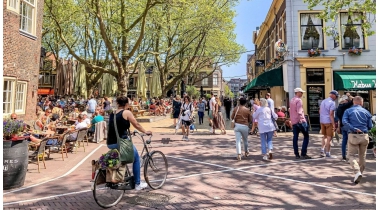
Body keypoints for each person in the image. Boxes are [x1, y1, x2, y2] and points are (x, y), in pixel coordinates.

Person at [107, 96, 151, 190]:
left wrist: (127, 132)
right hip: (121, 143)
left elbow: (116, 127)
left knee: (123, 159)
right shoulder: (126, 112)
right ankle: (138, 184)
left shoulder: (112, 113)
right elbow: (136, 124)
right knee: (136, 159)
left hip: (110, 142)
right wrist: (145, 131)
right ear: (126, 104)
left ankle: (123, 177)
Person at [342, 96, 373, 184]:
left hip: (353, 135)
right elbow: (370, 126)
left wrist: (353, 128)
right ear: (361, 103)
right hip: (364, 135)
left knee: (350, 155)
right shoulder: (366, 112)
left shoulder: (348, 111)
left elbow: (345, 122)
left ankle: (357, 171)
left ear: (353, 102)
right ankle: (360, 173)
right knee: (362, 156)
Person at [289, 88, 311, 159]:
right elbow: (299, 111)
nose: (302, 93)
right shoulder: (299, 100)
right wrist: (301, 120)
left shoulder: (292, 100)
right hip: (300, 121)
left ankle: (296, 154)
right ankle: (303, 153)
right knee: (306, 136)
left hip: (294, 121)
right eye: (301, 92)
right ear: (297, 92)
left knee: (295, 137)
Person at [319, 90, 339, 158]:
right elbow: (331, 114)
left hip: (322, 120)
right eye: (336, 96)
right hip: (329, 121)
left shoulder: (323, 101)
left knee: (324, 136)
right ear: (333, 95)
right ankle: (328, 153)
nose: (336, 97)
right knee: (329, 137)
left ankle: (322, 150)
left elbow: (320, 111)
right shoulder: (332, 103)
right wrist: (333, 124)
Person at [336, 94, 354, 161]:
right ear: (344, 101)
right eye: (346, 100)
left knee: (344, 140)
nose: (347, 101)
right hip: (348, 125)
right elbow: (353, 100)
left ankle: (343, 155)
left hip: (342, 125)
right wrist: (349, 95)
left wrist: (338, 126)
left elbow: (338, 118)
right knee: (350, 140)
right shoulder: (345, 106)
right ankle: (349, 155)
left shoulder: (338, 108)